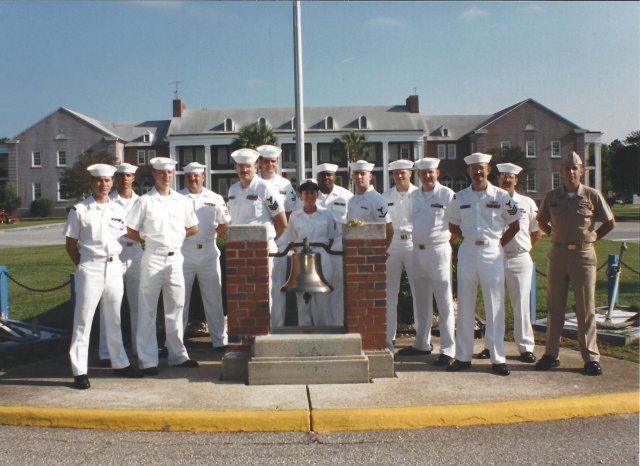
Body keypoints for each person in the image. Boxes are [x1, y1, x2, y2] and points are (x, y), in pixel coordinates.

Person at [535, 152, 615, 376]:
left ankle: (590, 357)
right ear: (561, 171)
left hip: (583, 256)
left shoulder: (591, 195)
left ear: (581, 171)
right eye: (567, 167)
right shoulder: (552, 197)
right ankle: (551, 354)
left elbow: (610, 222)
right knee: (554, 307)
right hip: (558, 256)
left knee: (585, 308)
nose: (570, 171)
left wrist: (594, 238)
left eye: (575, 168)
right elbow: (541, 220)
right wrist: (553, 235)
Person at [64, 164, 142, 389]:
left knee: (114, 317)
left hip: (114, 266)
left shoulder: (117, 210)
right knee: (83, 321)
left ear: (111, 182)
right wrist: (84, 265)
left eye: (107, 181)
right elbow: (71, 244)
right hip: (90, 267)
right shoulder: (80, 210)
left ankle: (120, 364)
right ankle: (79, 370)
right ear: (91, 183)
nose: (103, 184)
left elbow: (118, 238)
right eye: (99, 181)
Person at [446, 152, 521, 376]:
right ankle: (463, 356)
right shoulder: (459, 198)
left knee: (495, 305)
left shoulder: (502, 196)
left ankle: (498, 358)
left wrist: (498, 243)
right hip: (468, 251)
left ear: (489, 171)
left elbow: (515, 224)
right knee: (465, 305)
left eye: (482, 168)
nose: (478, 172)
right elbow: (452, 225)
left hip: (492, 252)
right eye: (474, 168)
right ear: (468, 171)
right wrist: (468, 239)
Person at [126, 157, 199, 376]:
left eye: (169, 173)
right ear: (154, 175)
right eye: (161, 173)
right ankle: (148, 360)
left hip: (176, 258)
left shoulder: (181, 200)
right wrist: (148, 239)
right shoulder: (144, 201)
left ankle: (177, 355)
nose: (166, 176)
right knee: (147, 310)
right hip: (153, 258)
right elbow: (129, 230)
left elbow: (193, 227)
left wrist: (175, 237)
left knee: (176, 308)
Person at [227, 148, 287, 327]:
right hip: (240, 251)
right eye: (241, 167)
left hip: (263, 249)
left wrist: (270, 241)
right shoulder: (233, 189)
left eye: (248, 166)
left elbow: (281, 221)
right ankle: (248, 332)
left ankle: (271, 332)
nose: (244, 170)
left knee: (266, 292)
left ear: (256, 165)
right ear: (235, 168)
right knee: (243, 292)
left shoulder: (265, 188)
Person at [489, 162, 540, 364]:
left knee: (521, 305)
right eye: (503, 176)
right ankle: (490, 345)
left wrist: (524, 247)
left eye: (510, 177)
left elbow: (536, 231)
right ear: (498, 179)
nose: (506, 179)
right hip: (494, 259)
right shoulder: (491, 200)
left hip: (519, 258)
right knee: (494, 304)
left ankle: (525, 346)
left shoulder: (527, 202)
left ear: (516, 180)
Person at [408, 157, 456, 366]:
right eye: (423, 173)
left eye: (431, 172)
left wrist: (444, 243)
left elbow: (456, 225)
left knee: (444, 302)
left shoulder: (447, 194)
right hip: (417, 252)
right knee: (421, 302)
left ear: (437, 173)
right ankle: (422, 344)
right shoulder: (414, 196)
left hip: (438, 252)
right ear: (418, 175)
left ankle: (448, 349)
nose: (427, 176)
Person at [180, 162, 231, 352]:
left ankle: (219, 340)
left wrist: (214, 235)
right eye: (189, 176)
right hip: (184, 252)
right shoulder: (177, 198)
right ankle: (176, 343)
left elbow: (225, 222)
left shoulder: (215, 198)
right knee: (179, 300)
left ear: (203, 177)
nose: (193, 179)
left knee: (213, 298)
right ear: (185, 178)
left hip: (209, 252)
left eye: (196, 176)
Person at [98, 162, 143, 364]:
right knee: (110, 305)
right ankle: (107, 352)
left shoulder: (142, 201)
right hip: (114, 255)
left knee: (138, 305)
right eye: (121, 176)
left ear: (133, 178)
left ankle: (138, 348)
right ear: (116, 179)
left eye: (128, 176)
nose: (125, 179)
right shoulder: (107, 201)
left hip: (136, 254)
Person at [256, 145, 299, 327]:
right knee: (259, 286)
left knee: (278, 285)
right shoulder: (253, 183)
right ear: (259, 163)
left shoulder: (285, 185)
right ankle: (261, 325)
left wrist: (279, 233)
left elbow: (290, 211)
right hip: (257, 242)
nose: (269, 164)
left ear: (277, 163)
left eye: (273, 161)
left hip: (279, 241)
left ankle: (277, 326)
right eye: (266, 161)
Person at [286, 178, 339, 326]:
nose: (309, 196)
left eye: (312, 193)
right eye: (306, 193)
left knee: (323, 298)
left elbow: (331, 238)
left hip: (322, 258)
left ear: (317, 195)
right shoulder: (295, 217)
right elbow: (291, 240)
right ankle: (305, 332)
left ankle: (324, 332)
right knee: (303, 299)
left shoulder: (327, 215)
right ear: (301, 195)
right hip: (302, 260)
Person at [381, 160, 419, 353]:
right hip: (392, 243)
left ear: (410, 174)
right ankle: (388, 338)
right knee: (389, 292)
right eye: (396, 173)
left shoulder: (419, 195)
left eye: (403, 173)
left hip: (413, 242)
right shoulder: (385, 196)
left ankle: (422, 340)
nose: (399, 176)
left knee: (418, 291)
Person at [316, 163, 353, 326]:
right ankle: (322, 325)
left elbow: (353, 220)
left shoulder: (346, 196)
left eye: (329, 175)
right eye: (322, 175)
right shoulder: (310, 195)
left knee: (338, 288)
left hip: (339, 247)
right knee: (319, 288)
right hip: (317, 248)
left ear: (334, 177)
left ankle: (338, 324)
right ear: (317, 177)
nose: (326, 178)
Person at [346, 160, 393, 251]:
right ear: (352, 176)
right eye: (356, 173)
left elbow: (388, 229)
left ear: (370, 176)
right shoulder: (351, 201)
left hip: (371, 250)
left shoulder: (377, 199)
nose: (359, 176)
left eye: (363, 174)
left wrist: (383, 251)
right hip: (354, 250)